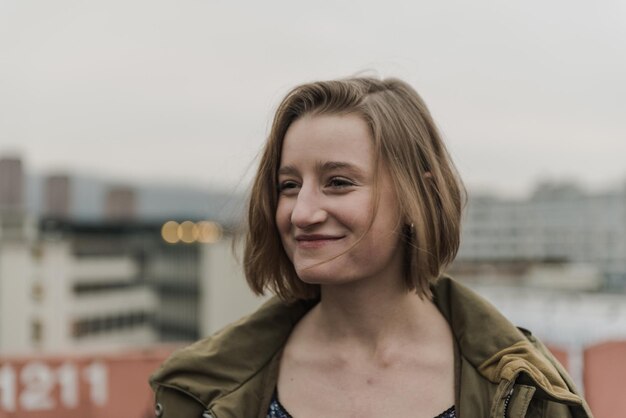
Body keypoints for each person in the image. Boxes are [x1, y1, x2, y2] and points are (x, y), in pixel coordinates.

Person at [149, 77, 593, 418]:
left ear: (417, 197)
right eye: (288, 185)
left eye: (338, 182)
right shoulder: (199, 388)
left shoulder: (526, 391)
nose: (301, 213)